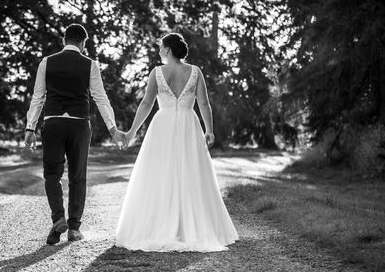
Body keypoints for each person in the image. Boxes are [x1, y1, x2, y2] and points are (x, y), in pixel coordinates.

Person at [115, 32, 238, 251]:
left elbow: (146, 104)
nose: (159, 50)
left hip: (162, 124)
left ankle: (160, 226)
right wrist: (209, 130)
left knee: (160, 173)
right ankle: (188, 227)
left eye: (161, 46)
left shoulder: (156, 72)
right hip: (189, 124)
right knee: (190, 173)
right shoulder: (195, 72)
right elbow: (204, 104)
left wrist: (132, 132)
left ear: (168, 49)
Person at [25, 24, 126, 245]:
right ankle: (74, 228)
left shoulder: (46, 62)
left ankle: (58, 218)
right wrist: (112, 128)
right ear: (83, 43)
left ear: (64, 40)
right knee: (77, 176)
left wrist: (30, 128)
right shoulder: (90, 65)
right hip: (80, 125)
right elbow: (100, 98)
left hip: (53, 123)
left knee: (52, 173)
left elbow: (38, 97)